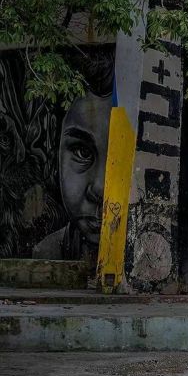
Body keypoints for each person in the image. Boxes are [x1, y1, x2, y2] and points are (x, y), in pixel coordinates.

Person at [33, 48, 116, 261]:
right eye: (82, 152)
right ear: (55, 147)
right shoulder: (46, 253)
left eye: (120, 157)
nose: (100, 188)